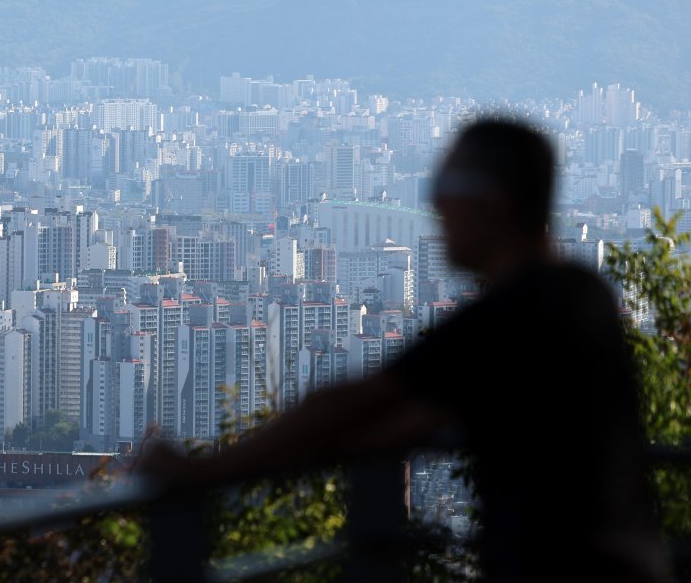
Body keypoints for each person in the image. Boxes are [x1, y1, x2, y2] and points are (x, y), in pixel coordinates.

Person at [135, 119, 671, 583]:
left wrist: (204, 473)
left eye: (443, 187)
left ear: (493, 203)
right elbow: (426, 414)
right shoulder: (582, 294)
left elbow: (359, 399)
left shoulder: (514, 312)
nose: (434, 206)